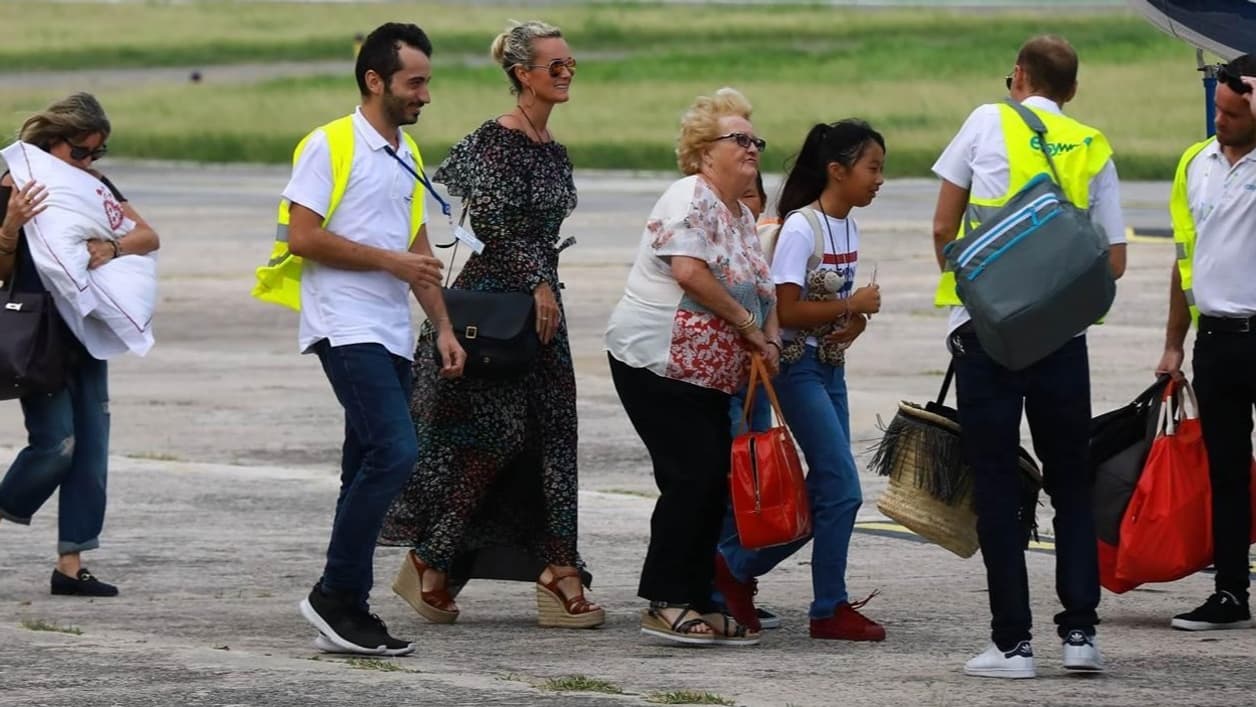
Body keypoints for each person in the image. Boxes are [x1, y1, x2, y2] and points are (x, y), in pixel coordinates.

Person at [380, 20, 603, 630]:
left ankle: (558, 568)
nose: (565, 74)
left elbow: (537, 227)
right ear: (521, 74)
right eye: (553, 66)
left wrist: (543, 285)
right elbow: (497, 224)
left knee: (555, 437)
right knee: (493, 439)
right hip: (497, 308)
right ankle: (432, 558)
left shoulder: (552, 148)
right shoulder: (497, 140)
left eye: (570, 64)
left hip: (541, 303)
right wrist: (536, 281)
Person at [930, 35, 1126, 678]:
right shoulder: (1094, 146)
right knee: (1070, 482)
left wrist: (983, 298)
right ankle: (1080, 637)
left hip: (989, 335)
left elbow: (943, 226)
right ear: (1071, 90)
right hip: (1063, 341)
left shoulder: (988, 120)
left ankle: (1012, 645)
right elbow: (1114, 261)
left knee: (994, 484)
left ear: (1017, 76)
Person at [273, 22, 464, 656]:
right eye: (415, 82)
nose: (425, 95)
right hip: (343, 323)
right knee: (395, 453)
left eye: (427, 82)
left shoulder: (403, 153)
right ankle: (338, 596)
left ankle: (342, 605)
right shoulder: (329, 144)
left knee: (364, 466)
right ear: (375, 80)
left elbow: (415, 246)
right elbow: (302, 237)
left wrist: (441, 326)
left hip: (388, 332)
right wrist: (391, 264)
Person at [605, 87, 777, 646]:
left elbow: (761, 290)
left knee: (713, 481)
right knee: (692, 476)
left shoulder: (739, 216)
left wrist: (767, 337)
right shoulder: (689, 197)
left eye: (756, 140)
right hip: (658, 361)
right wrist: (749, 328)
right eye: (740, 139)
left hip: (707, 373)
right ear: (705, 151)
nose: (753, 148)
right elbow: (689, 272)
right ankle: (667, 600)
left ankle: (700, 597)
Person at [715, 120, 887, 642]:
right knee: (843, 488)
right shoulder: (800, 228)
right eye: (872, 168)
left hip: (830, 367)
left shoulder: (849, 226)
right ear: (836, 171)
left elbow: (830, 310)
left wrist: (853, 322)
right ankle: (813, 601)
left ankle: (737, 570)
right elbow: (787, 308)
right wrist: (850, 305)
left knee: (834, 489)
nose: (880, 180)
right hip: (797, 367)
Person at [0, 93, 160, 598]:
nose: (90, 163)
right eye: (81, 152)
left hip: (87, 331)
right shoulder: (11, 183)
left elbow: (148, 236)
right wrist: (10, 228)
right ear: (52, 142)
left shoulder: (92, 187)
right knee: (56, 445)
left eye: (98, 154)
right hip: (37, 334)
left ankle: (71, 564)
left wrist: (110, 246)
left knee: (91, 450)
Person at [1156, 54, 1256, 632]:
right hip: (1217, 340)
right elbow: (1184, 258)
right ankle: (1230, 591)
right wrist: (1174, 342)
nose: (1219, 120)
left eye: (1234, 113)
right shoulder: (1197, 162)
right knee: (1225, 471)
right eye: (1216, 109)